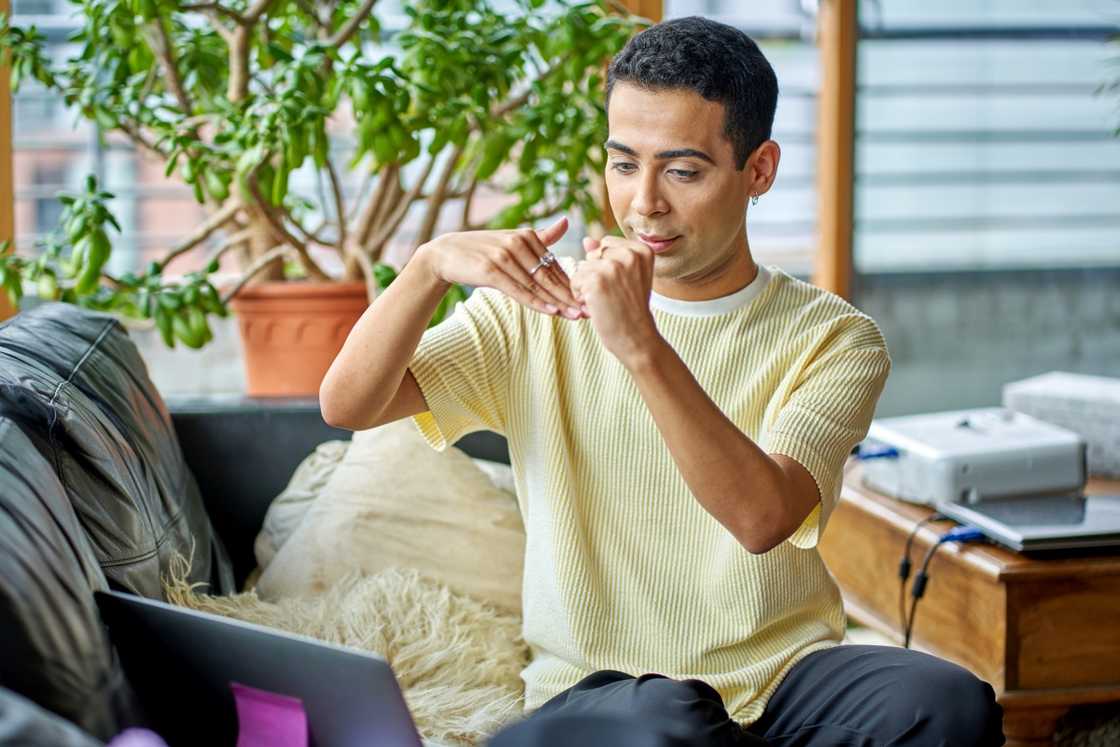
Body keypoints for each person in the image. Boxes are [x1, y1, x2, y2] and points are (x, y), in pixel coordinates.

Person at [320, 15, 1005, 747]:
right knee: (668, 719)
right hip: (604, 694)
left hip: (782, 683)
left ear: (760, 170)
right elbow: (348, 403)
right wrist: (427, 267)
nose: (644, 201)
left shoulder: (834, 338)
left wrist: (641, 344)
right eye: (623, 163)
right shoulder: (538, 313)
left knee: (949, 701)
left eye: (682, 170)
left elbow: (760, 517)